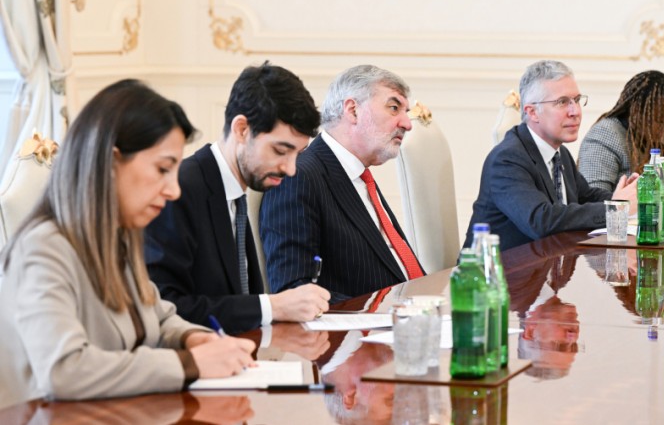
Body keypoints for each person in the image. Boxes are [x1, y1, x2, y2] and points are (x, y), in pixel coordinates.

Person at [0, 80, 255, 408]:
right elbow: (64, 370)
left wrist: (195, 338)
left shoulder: (118, 235)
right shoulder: (43, 248)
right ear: (110, 163)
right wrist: (189, 363)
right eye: (162, 169)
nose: (174, 190)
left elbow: (158, 316)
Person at [145, 62, 331, 335]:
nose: (291, 169)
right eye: (281, 151)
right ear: (242, 129)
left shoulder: (236, 193)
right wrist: (272, 306)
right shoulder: (179, 189)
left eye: (298, 154)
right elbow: (165, 308)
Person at [261, 64, 425, 303]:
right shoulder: (299, 178)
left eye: (406, 111)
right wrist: (382, 313)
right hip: (367, 324)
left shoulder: (360, 176)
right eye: (394, 108)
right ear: (353, 110)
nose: (407, 124)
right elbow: (294, 289)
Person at [464, 60, 638, 251]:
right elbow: (541, 220)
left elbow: (586, 197)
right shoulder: (507, 160)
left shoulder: (560, 153)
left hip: (545, 264)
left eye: (577, 100)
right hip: (497, 268)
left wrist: (630, 196)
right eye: (562, 102)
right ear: (532, 112)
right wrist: (616, 208)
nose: (575, 111)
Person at [578, 69, 664, 193]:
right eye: (661, 120)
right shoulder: (604, 136)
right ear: (639, 114)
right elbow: (595, 200)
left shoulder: (658, 134)